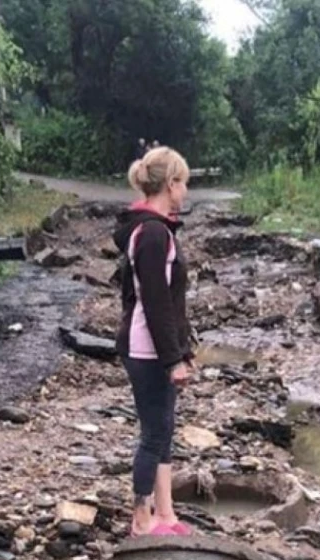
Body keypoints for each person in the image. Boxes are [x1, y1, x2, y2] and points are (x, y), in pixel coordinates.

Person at [114, 146, 195, 537]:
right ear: (169, 184)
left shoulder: (158, 229)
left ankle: (166, 513)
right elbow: (156, 302)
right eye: (184, 183)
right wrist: (172, 360)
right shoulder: (150, 233)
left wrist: (185, 351)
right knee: (153, 434)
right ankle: (141, 519)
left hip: (157, 347)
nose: (186, 192)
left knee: (164, 430)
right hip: (145, 349)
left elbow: (174, 303)